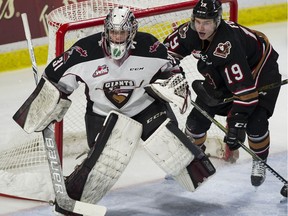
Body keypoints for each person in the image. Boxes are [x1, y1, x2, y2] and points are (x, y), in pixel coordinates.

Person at [14, 6, 215, 216]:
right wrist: (46, 103)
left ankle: (191, 165)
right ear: (106, 30)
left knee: (178, 152)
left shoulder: (150, 47)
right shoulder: (84, 51)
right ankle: (73, 193)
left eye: (123, 32)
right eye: (113, 32)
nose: (118, 37)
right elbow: (55, 77)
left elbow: (172, 70)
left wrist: (172, 85)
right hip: (102, 115)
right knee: (103, 165)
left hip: (145, 108)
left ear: (132, 32)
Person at [163, 0, 281, 188]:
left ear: (217, 21)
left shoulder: (228, 44)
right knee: (196, 123)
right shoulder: (190, 32)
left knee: (256, 123)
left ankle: (260, 161)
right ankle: (191, 161)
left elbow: (245, 93)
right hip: (219, 73)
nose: (200, 27)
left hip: (260, 72)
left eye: (207, 22)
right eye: (198, 21)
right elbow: (166, 53)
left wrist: (236, 124)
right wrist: (175, 76)